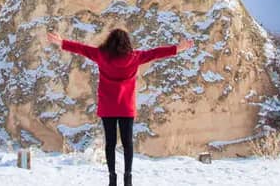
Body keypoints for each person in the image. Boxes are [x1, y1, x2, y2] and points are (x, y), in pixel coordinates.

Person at [46, 29, 194, 186]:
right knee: (127, 143)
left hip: (108, 107)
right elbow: (155, 53)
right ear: (127, 43)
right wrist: (178, 48)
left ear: (109, 42)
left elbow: (82, 49)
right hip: (126, 107)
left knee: (110, 144)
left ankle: (112, 177)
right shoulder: (135, 57)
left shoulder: (101, 56)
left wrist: (61, 42)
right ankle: (128, 177)